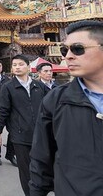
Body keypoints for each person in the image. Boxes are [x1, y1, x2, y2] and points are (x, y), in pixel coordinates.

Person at [29, 20, 103, 195]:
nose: (67, 56)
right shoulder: (56, 100)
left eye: (77, 49)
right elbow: (41, 158)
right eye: (65, 50)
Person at [0, 55, 49, 196]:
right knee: (26, 172)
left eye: (20, 64)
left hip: (40, 135)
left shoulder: (39, 86)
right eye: (14, 65)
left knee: (42, 169)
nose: (17, 67)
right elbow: (2, 110)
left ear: (28, 67)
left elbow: (51, 108)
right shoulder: (8, 87)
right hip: (20, 136)